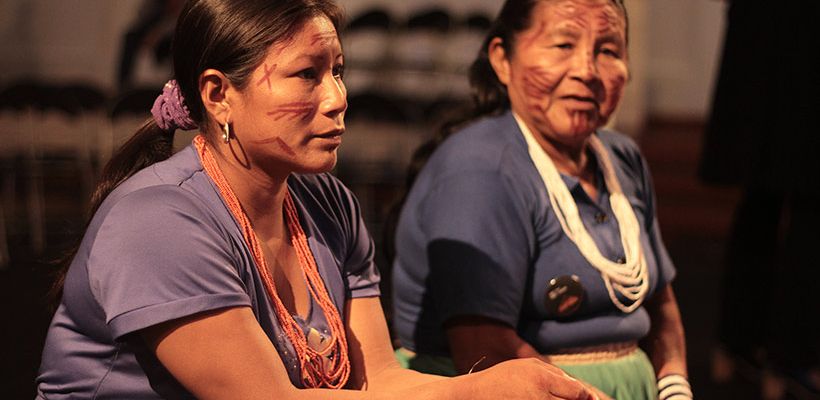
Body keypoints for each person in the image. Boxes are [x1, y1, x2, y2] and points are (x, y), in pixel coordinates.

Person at [35, 0, 596, 399]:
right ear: (218, 94)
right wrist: (476, 393)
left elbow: (377, 380)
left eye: (339, 71)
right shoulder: (157, 221)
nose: (337, 98)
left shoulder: (328, 204)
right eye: (307, 74)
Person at [390, 0, 690, 399]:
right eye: (563, 46)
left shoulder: (621, 159)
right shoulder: (481, 170)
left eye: (608, 51)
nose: (586, 70)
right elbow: (484, 350)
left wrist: (674, 388)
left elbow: (660, 307)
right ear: (502, 59)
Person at [700, 1, 820, 397]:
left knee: (760, 197)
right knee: (809, 206)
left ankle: (735, 344)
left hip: (761, 37)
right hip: (802, 39)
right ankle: (792, 358)